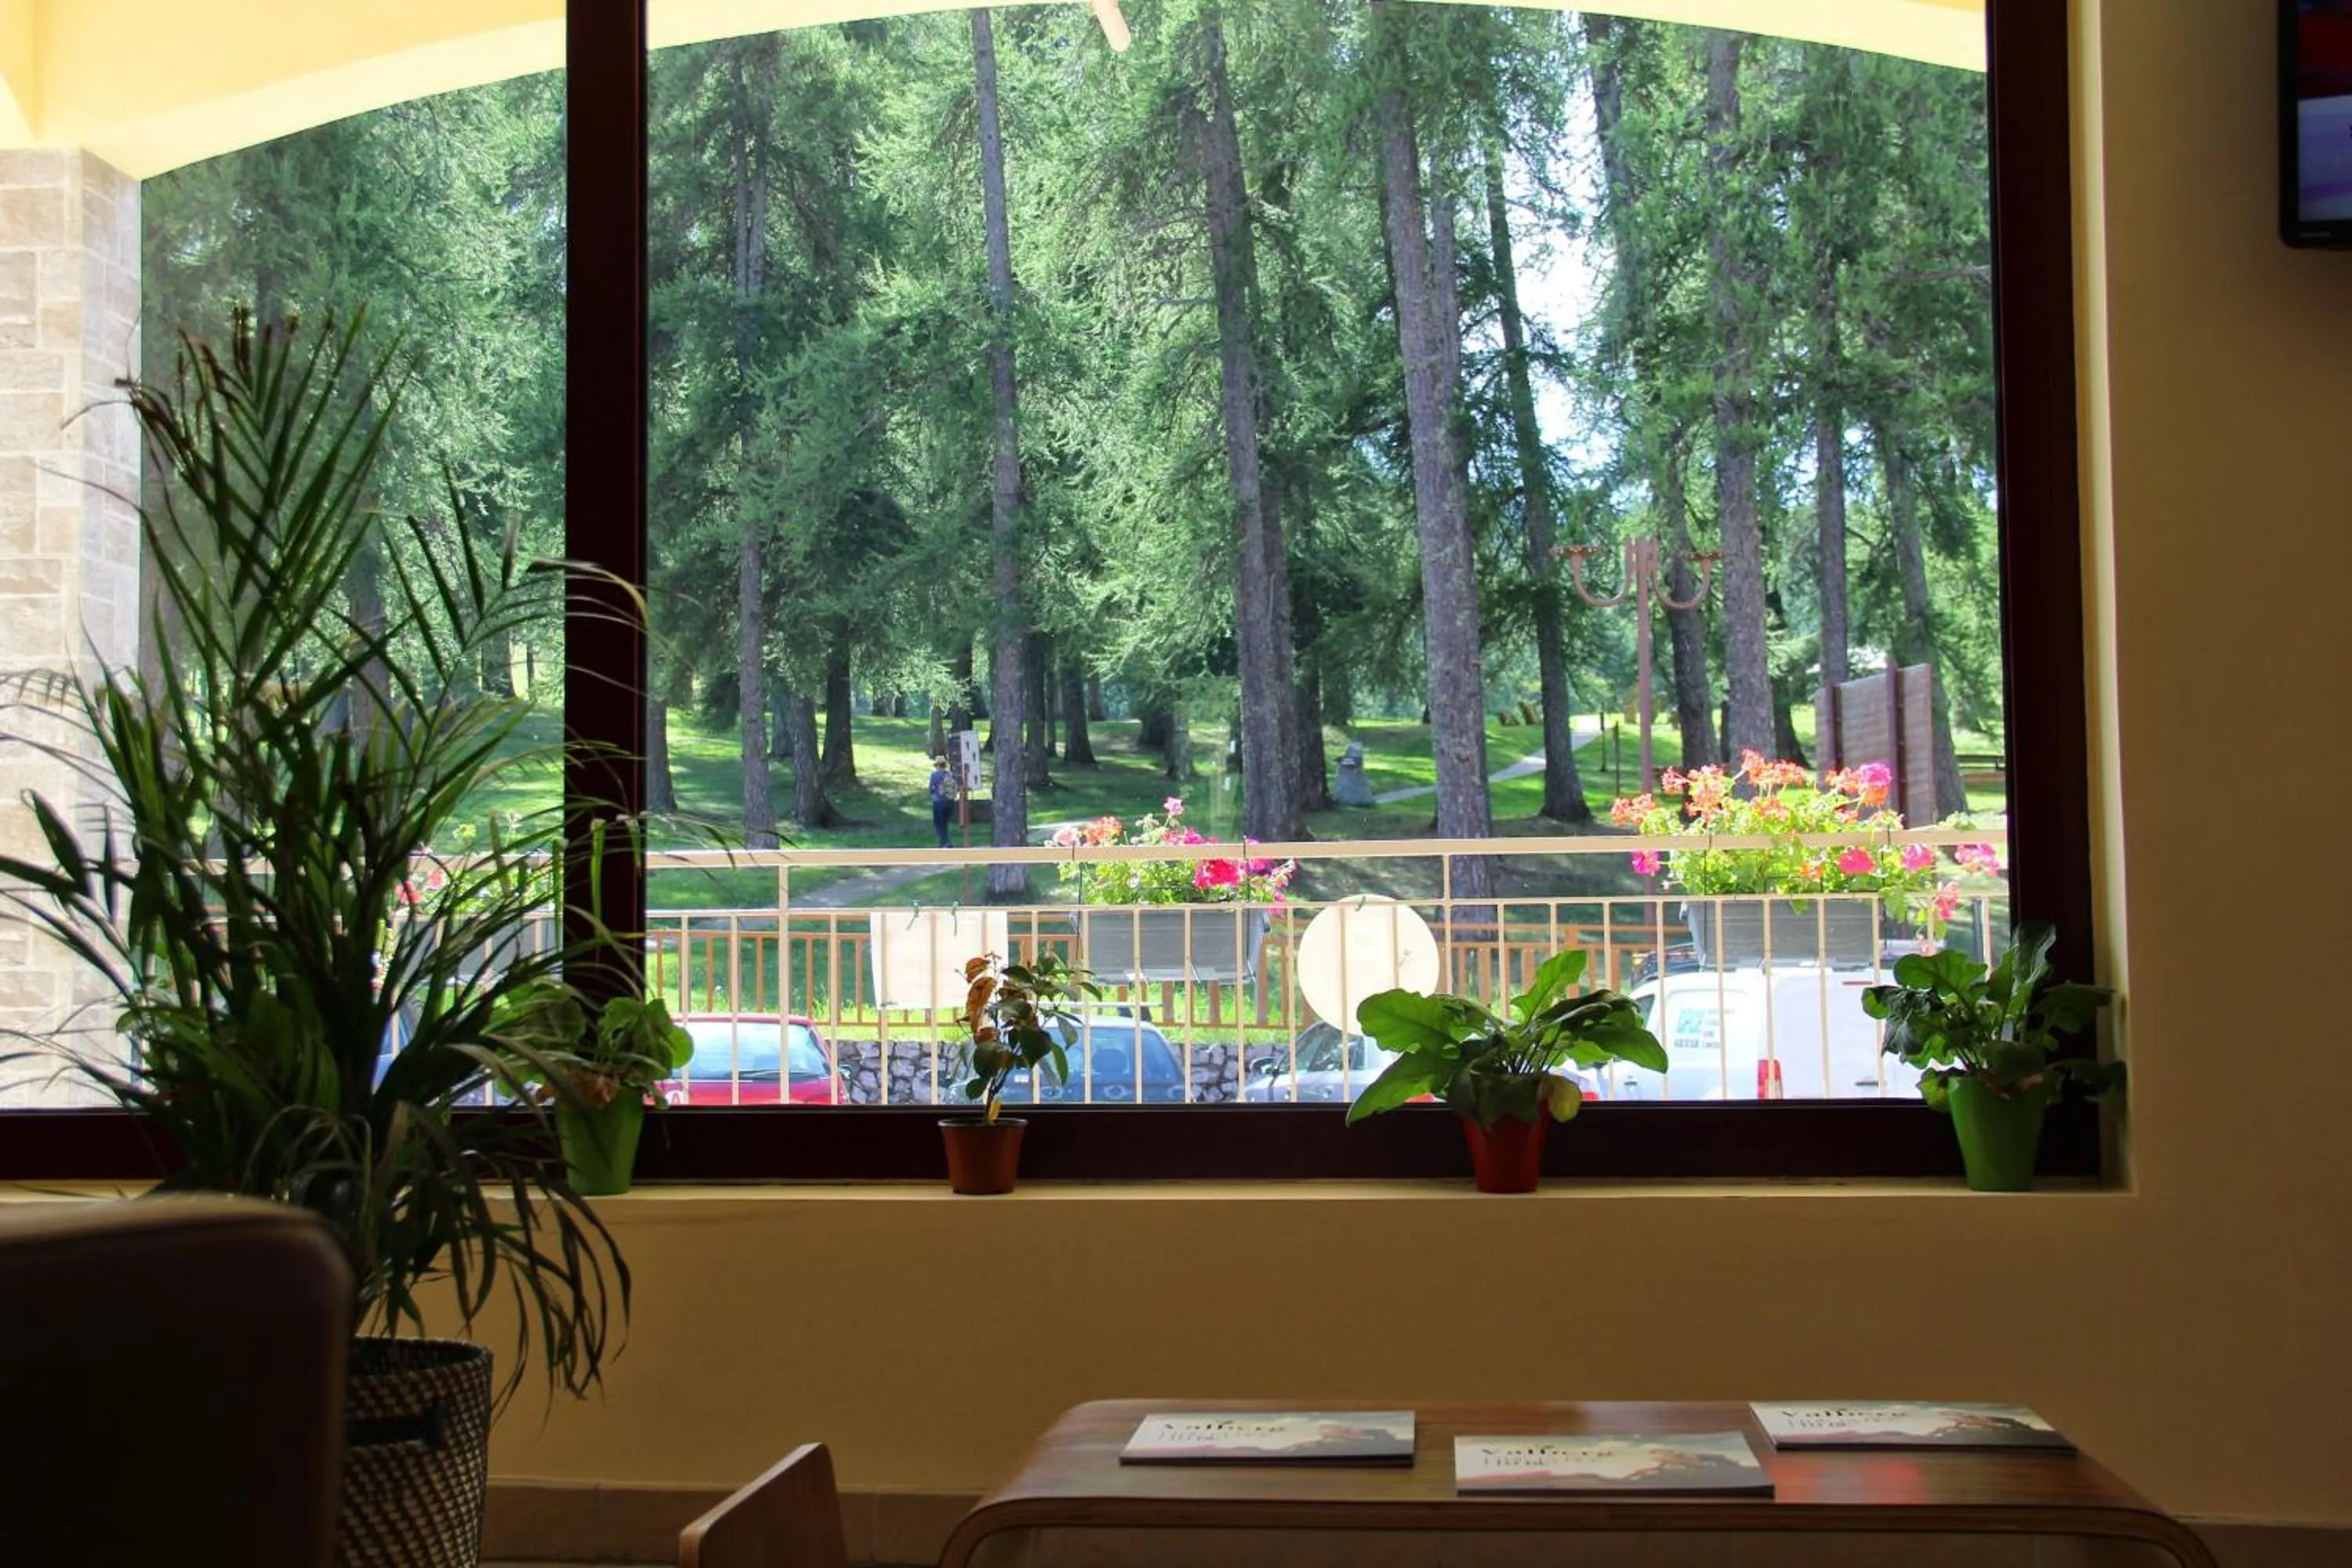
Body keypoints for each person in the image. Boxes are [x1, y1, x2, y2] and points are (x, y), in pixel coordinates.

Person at [927, 755, 954, 848]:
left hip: (939, 803)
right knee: (945, 823)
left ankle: (944, 843)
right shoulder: (950, 775)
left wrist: (934, 797)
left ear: (937, 765)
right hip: (950, 802)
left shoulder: (935, 776)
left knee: (939, 823)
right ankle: (946, 841)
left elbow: (931, 790)